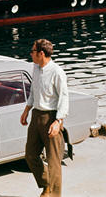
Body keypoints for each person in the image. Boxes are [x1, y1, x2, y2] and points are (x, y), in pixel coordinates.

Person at [21, 38, 69, 197]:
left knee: (53, 161)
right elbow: (33, 91)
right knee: (30, 154)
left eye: (33, 51)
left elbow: (64, 98)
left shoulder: (57, 72)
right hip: (36, 115)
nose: (30, 54)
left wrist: (58, 121)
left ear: (41, 53)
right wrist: (27, 109)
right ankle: (46, 184)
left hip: (52, 117)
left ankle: (53, 194)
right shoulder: (35, 68)